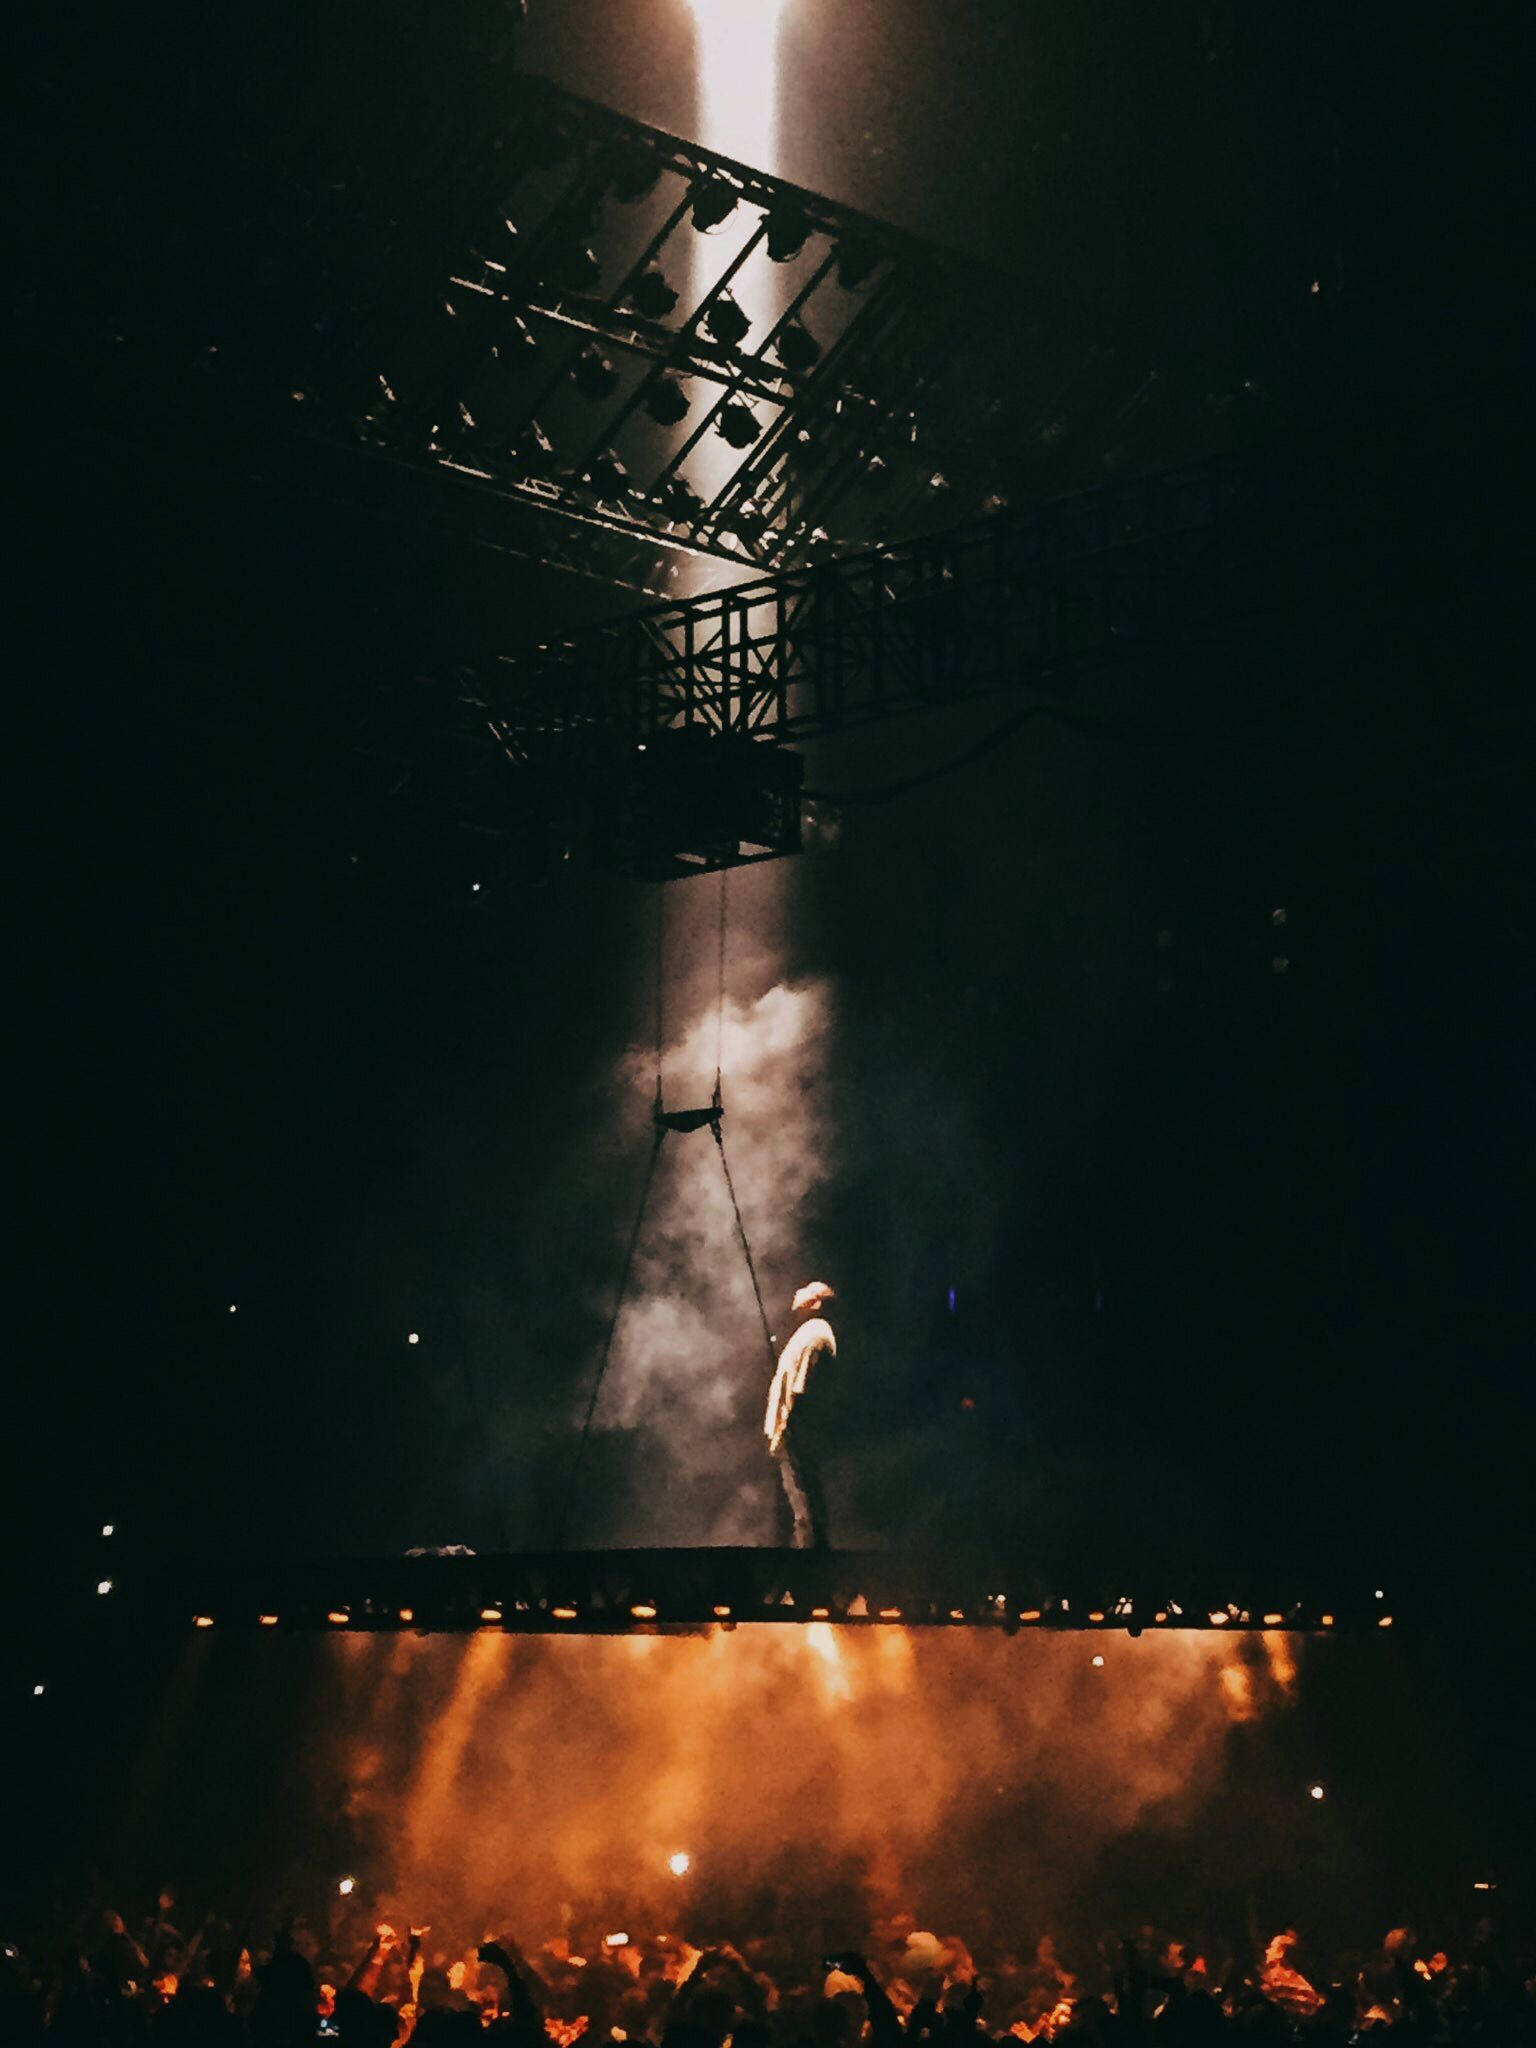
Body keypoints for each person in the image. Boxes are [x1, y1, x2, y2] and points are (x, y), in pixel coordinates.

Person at [765, 1281, 836, 1549]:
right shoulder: (810, 1333)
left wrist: (792, 1429)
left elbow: (804, 1390)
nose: (798, 1291)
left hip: (796, 1432)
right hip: (793, 1431)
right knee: (796, 1506)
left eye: (807, 1289)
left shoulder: (815, 1335)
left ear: (816, 1303)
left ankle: (811, 1561)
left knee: (803, 1505)